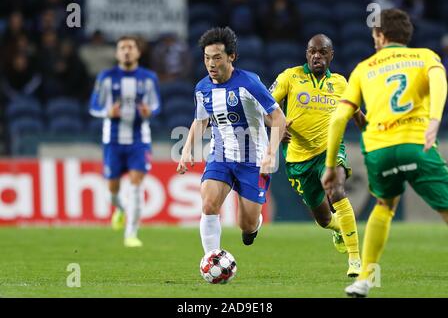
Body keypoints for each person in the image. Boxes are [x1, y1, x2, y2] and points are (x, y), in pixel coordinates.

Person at [322, 9, 448, 297]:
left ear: (380, 35)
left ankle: (363, 280)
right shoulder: (426, 57)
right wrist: (435, 119)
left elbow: (338, 119)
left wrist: (331, 166)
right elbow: (440, 83)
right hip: (417, 144)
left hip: (379, 151)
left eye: (374, 35)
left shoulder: (363, 68)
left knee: (384, 206)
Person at [176, 27, 286, 254]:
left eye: (217, 57)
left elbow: (278, 117)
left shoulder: (249, 83)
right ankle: (211, 258)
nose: (211, 64)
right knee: (208, 203)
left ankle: (253, 226)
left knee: (245, 225)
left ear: (231, 56)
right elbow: (200, 121)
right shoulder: (202, 88)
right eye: (207, 58)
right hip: (220, 155)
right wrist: (187, 150)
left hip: (253, 160)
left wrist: (270, 154)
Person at [270, 34, 365, 278]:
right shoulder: (290, 77)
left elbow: (357, 114)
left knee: (337, 190)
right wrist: (277, 128)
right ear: (306, 53)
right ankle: (338, 228)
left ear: (331, 56)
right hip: (297, 158)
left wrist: (373, 131)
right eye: (312, 51)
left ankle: (355, 259)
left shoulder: (342, 83)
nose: (317, 56)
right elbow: (265, 106)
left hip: (330, 151)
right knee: (323, 219)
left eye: (322, 52)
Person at [90, 36, 161, 247]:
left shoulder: (149, 78)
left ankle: (131, 234)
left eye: (130, 47)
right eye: (122, 47)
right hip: (112, 140)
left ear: (138, 52)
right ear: (117, 53)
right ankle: (120, 208)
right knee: (112, 190)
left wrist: (150, 111)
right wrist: (107, 112)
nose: (127, 51)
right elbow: (94, 106)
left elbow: (156, 105)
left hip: (139, 140)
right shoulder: (106, 77)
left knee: (136, 185)